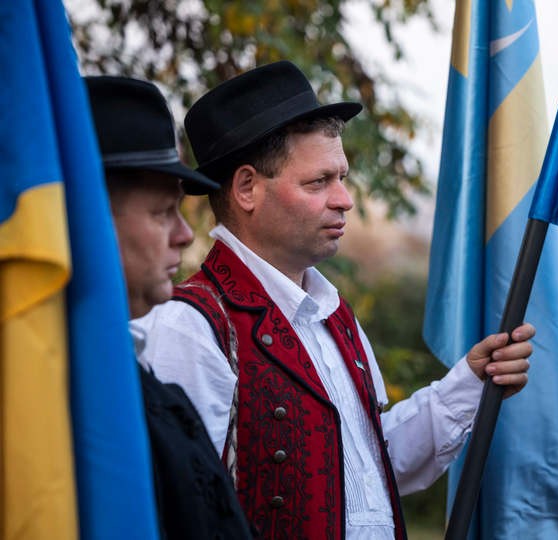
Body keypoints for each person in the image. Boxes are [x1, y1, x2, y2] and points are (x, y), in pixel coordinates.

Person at [132, 61, 534, 539]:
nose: (344, 199)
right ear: (246, 189)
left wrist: (469, 382)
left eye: (341, 177)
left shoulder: (332, 314)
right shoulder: (191, 326)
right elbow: (181, 509)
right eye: (318, 182)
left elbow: (371, 469)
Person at [85, 76, 253, 539]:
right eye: (162, 212)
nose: (184, 235)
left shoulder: (136, 383)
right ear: (86, 219)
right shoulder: (52, 403)